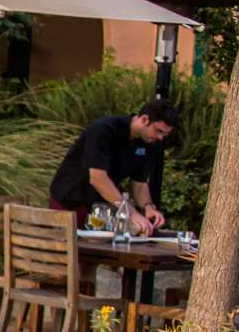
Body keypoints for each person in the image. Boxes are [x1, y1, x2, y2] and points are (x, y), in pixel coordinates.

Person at [49, 99, 175, 232]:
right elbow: (97, 178)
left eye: (165, 134)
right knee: (75, 249)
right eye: (158, 131)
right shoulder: (105, 129)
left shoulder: (149, 142)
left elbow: (140, 184)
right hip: (71, 200)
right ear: (144, 119)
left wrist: (148, 207)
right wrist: (131, 213)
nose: (160, 137)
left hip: (101, 207)